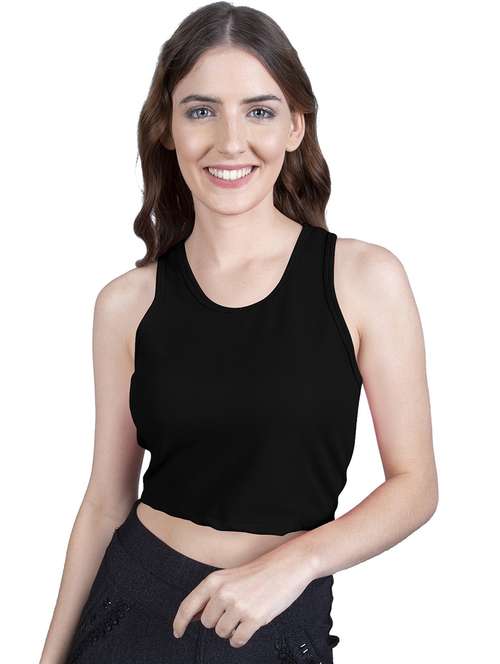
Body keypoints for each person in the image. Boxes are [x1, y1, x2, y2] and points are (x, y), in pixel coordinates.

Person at [40, 3, 438, 663]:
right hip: (134, 609)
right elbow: (106, 503)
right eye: (201, 110)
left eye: (259, 111)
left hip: (278, 619)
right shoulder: (125, 304)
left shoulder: (365, 279)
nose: (230, 142)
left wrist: (295, 564)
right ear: (168, 128)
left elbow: (415, 484)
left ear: (295, 126)